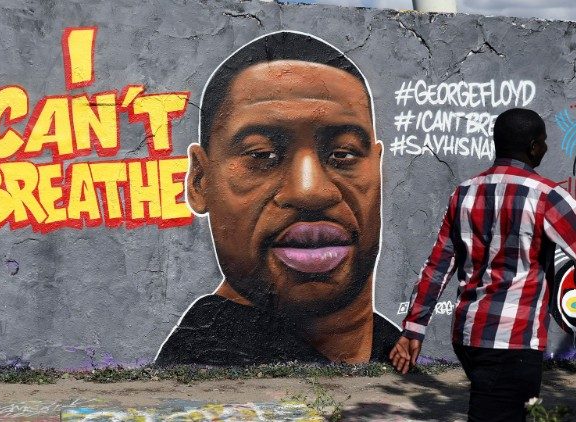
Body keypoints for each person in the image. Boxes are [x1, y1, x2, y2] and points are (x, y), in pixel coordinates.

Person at [155, 31, 400, 366]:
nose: (310, 191)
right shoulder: (207, 371)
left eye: (343, 154)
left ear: (378, 170)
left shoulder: (393, 350)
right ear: (200, 182)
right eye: (262, 155)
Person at [390, 108, 576, 421]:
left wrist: (415, 328)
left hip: (468, 337)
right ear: (533, 147)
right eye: (543, 141)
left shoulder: (464, 193)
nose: (547, 148)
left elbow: (437, 266)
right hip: (513, 341)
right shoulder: (547, 197)